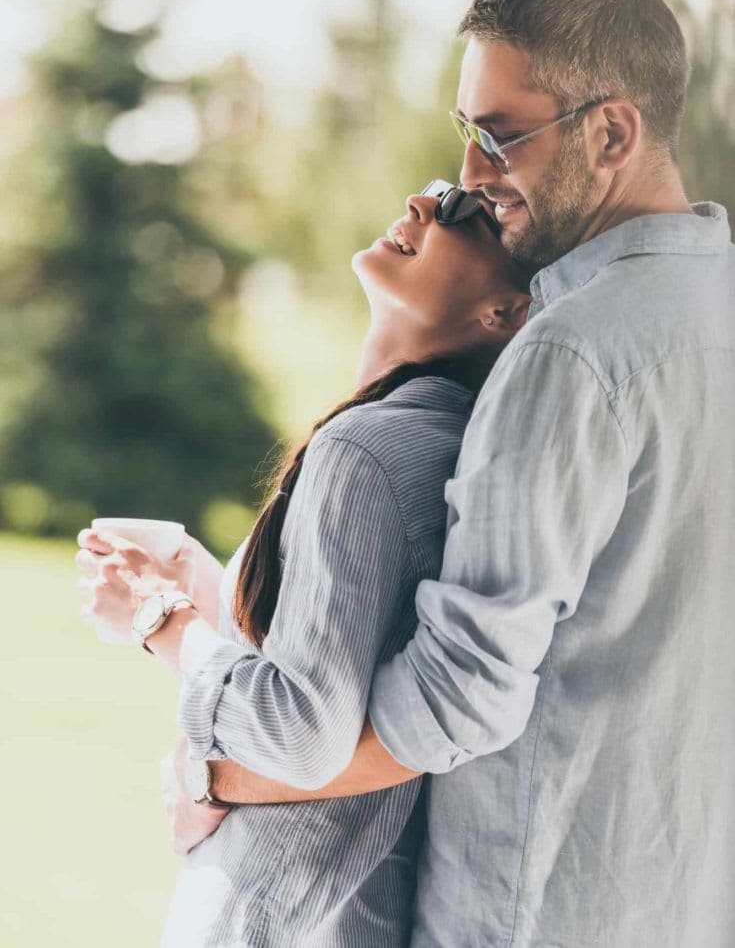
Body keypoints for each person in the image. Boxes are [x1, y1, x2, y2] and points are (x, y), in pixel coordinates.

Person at [163, 0, 735, 947]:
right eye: (467, 133)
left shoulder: (573, 350)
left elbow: (453, 700)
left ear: (613, 132)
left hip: (531, 912)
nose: (473, 173)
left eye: (502, 137)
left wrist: (219, 772)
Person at [76, 182, 531, 946]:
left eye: (462, 212)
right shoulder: (431, 439)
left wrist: (161, 617)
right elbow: (333, 668)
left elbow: (301, 732)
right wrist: (197, 576)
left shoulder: (368, 450)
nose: (423, 205)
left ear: (506, 311)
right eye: (430, 192)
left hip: (279, 913)